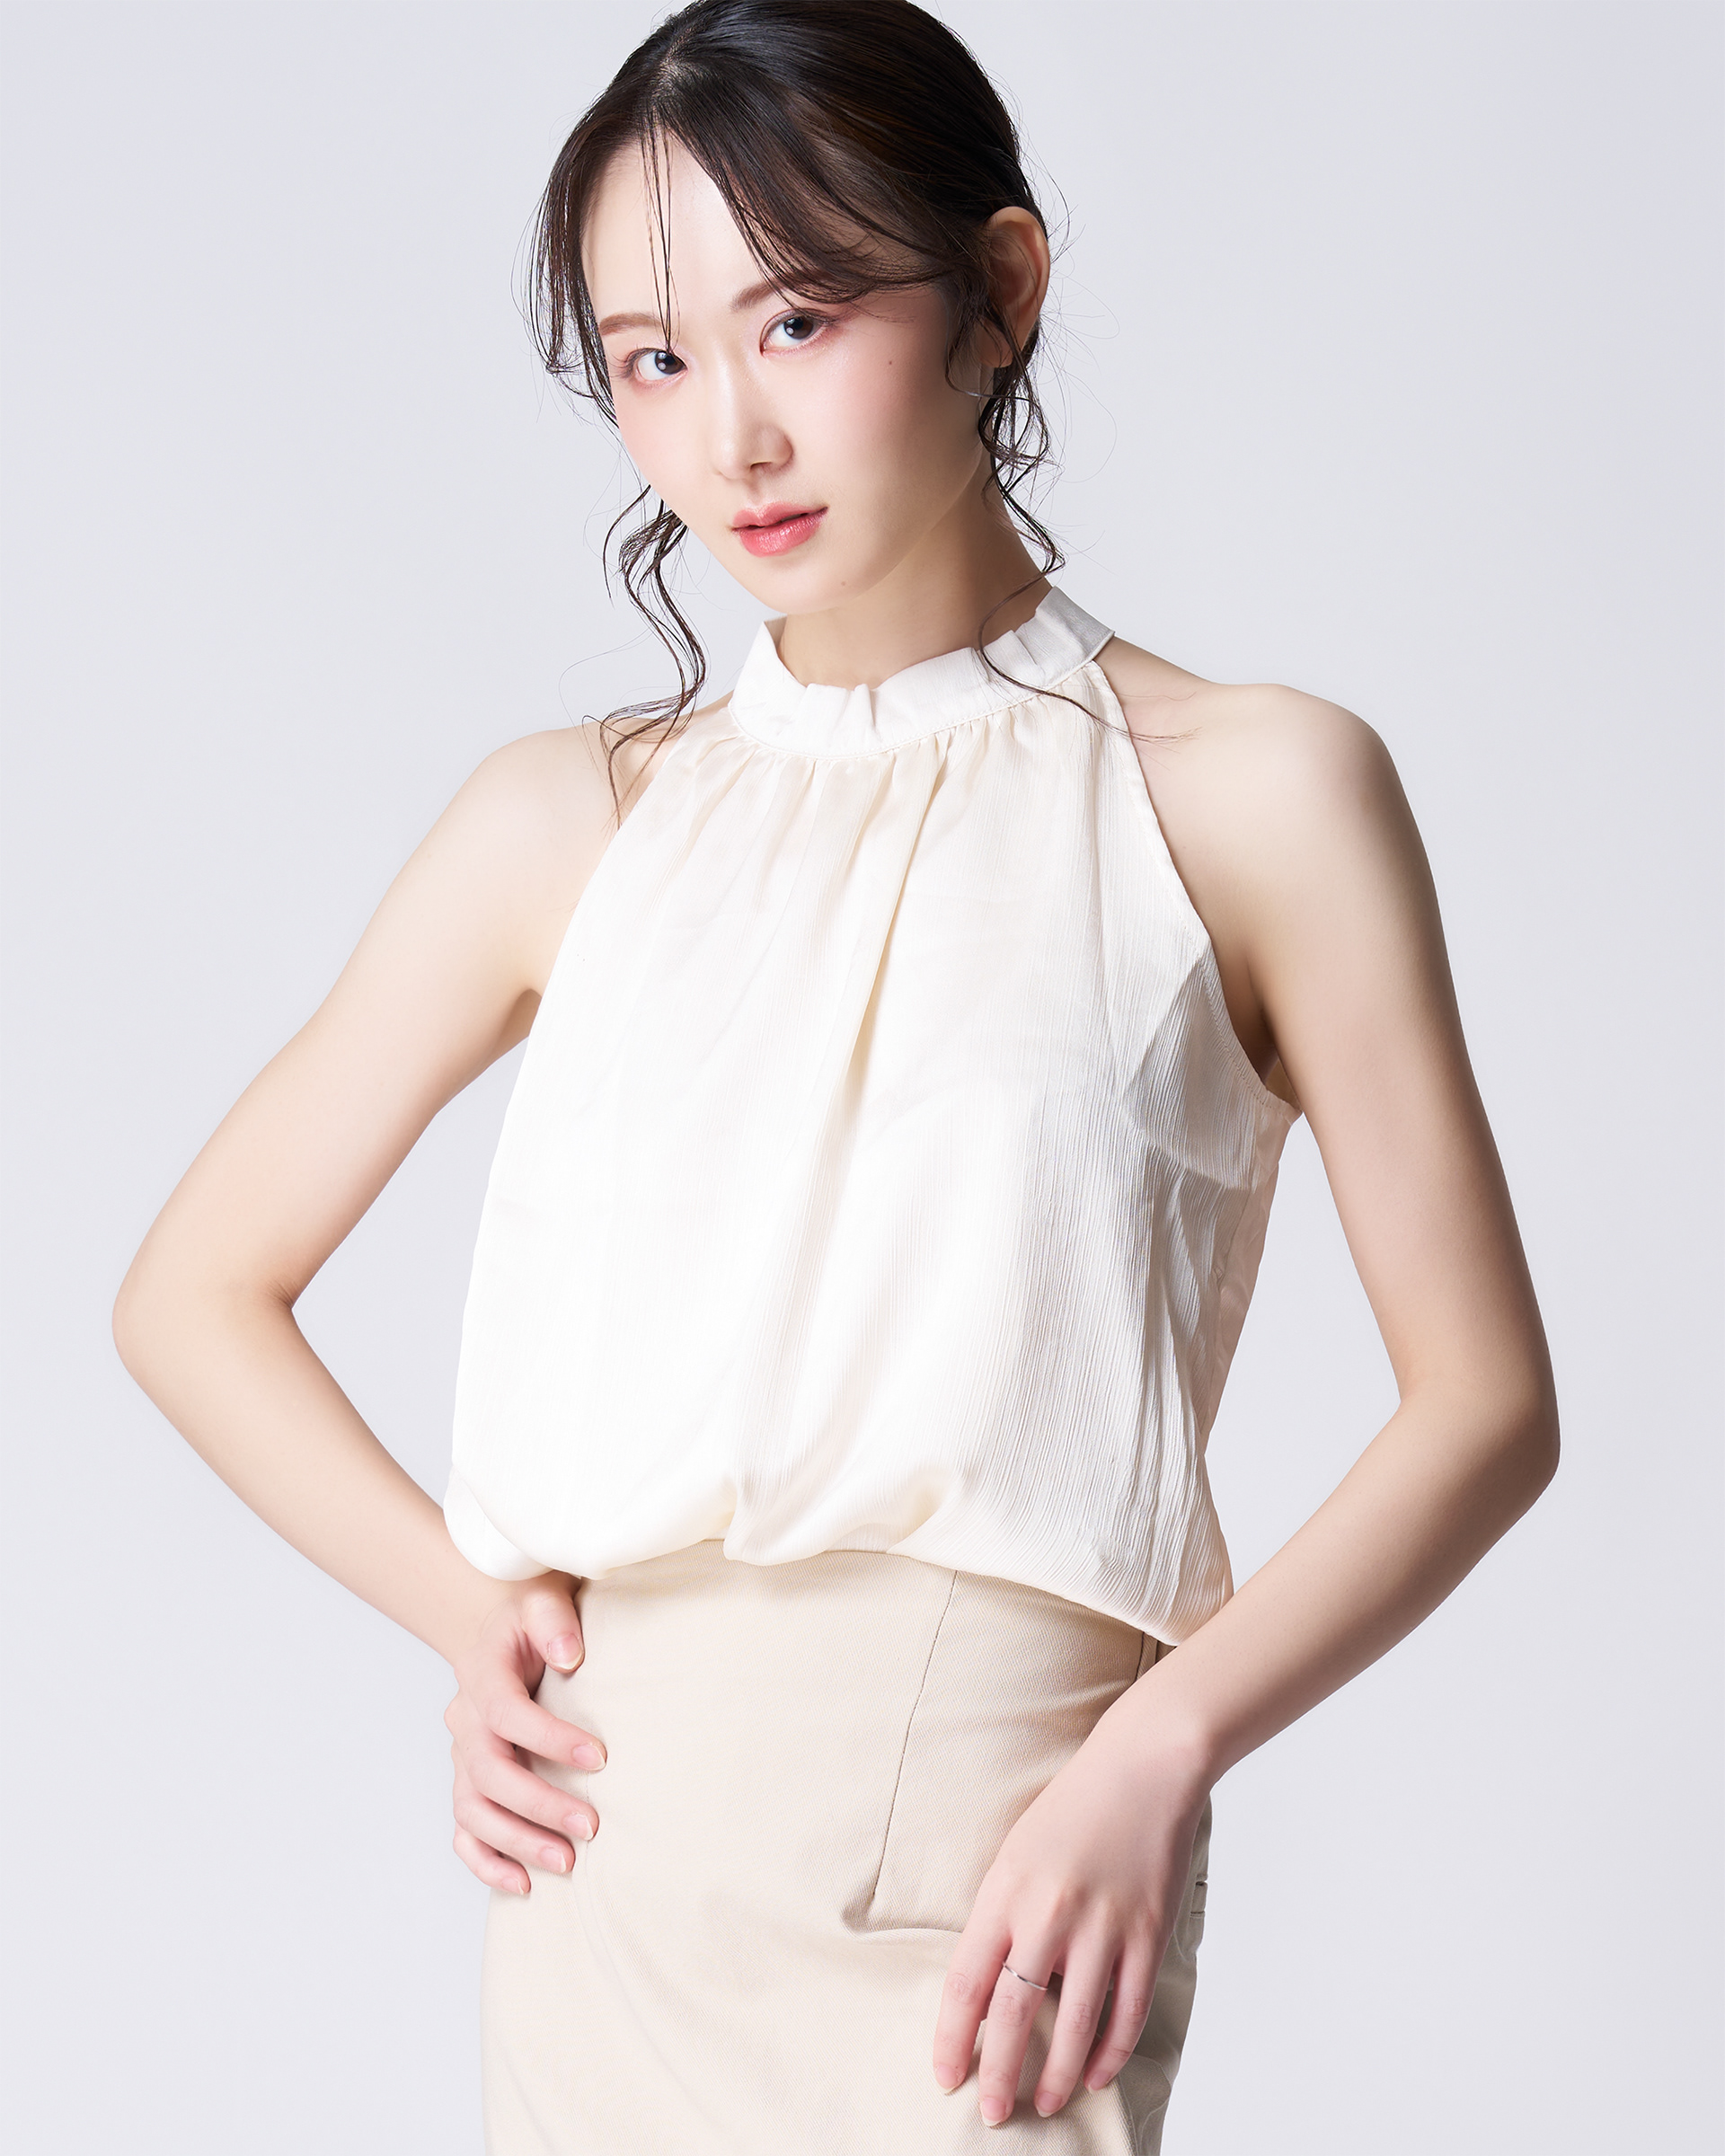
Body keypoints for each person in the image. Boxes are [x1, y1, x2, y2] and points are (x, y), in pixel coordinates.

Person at [111, 2, 1561, 2149]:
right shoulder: (566, 820)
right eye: (649, 358)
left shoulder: (1256, 793)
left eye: (797, 320)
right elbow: (189, 1293)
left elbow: (1487, 1406)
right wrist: (471, 1619)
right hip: (609, 1896)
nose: (731, 439)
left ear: (1003, 290)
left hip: (1003, 1881)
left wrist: (1161, 1753)